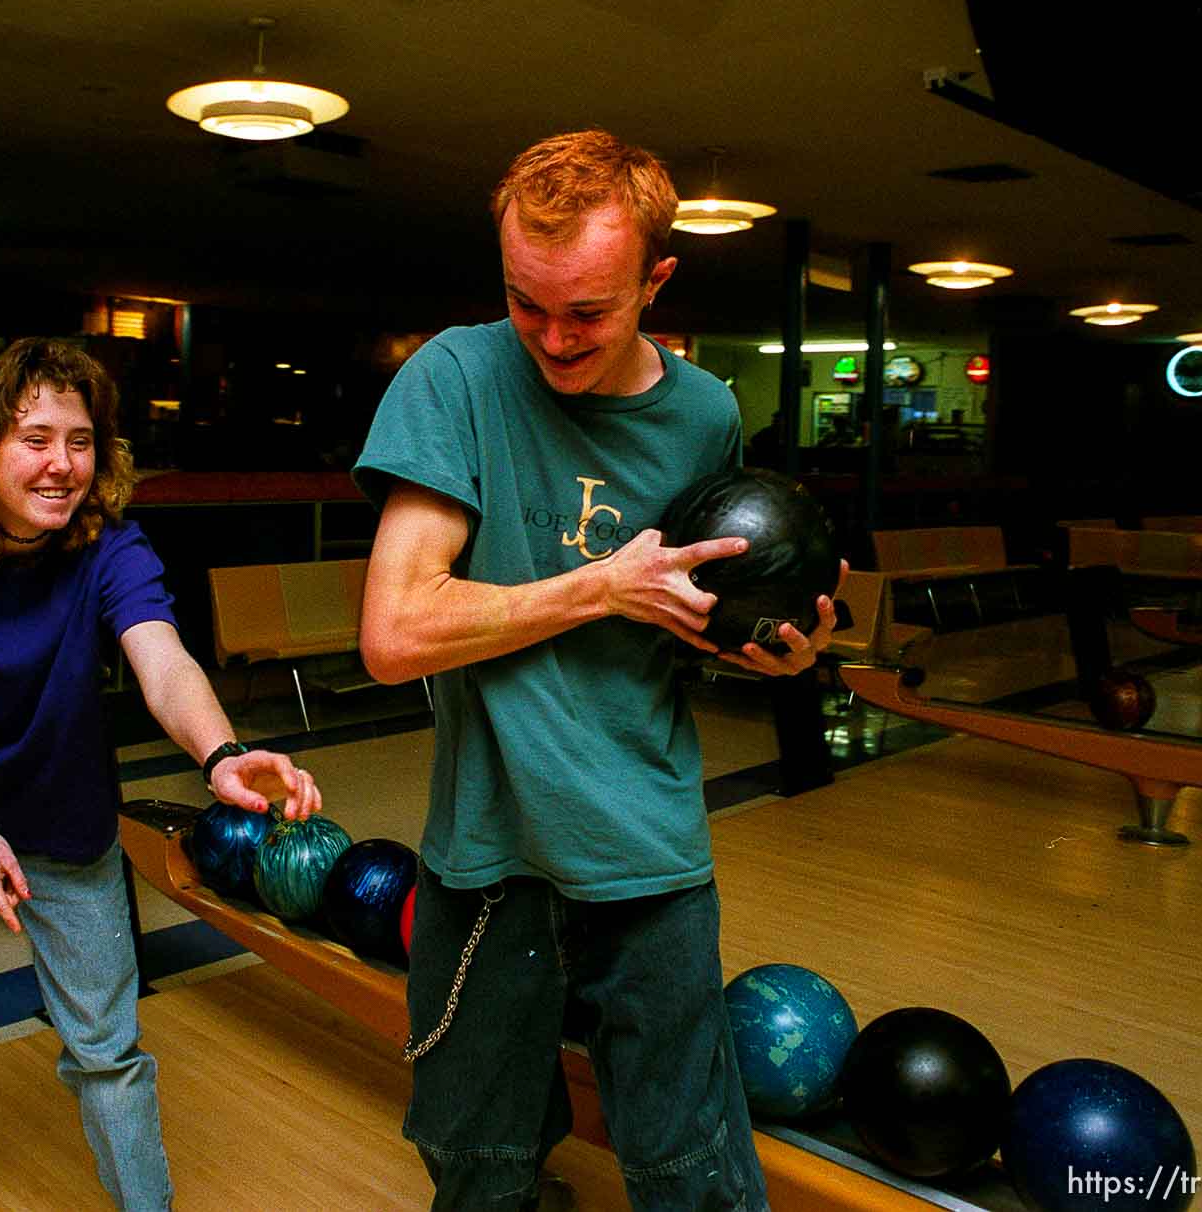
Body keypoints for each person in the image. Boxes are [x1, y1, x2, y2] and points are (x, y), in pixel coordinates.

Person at [354, 129, 844, 1212]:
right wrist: (598, 587)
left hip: (648, 843)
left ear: (656, 279)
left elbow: (690, 613)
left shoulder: (707, 413)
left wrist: (772, 653)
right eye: (528, 303)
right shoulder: (457, 375)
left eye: (589, 310)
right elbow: (394, 632)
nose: (554, 337)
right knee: (478, 1169)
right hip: (490, 845)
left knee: (689, 1170)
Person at [0, 337, 323, 1212]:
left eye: (80, 441)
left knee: (106, 1047)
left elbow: (161, 659)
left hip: (61, 809)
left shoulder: (108, 542)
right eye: (36, 438)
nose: (62, 465)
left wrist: (224, 753)